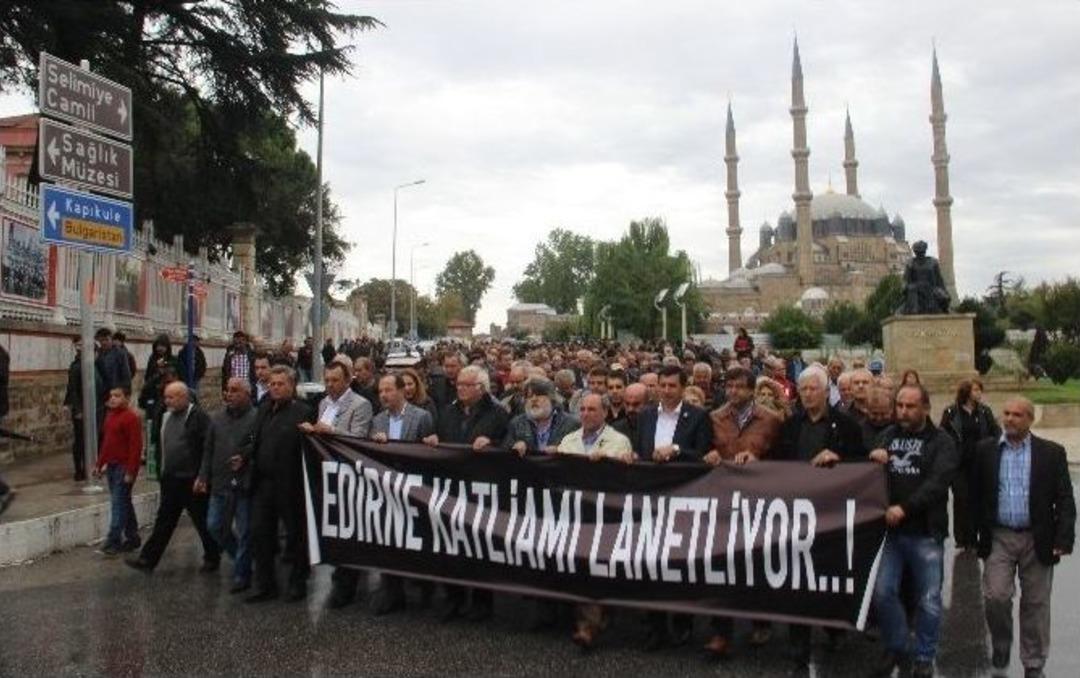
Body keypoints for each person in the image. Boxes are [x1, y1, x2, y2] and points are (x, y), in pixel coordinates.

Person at [973, 397, 1075, 678]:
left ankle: (1033, 663)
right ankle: (1002, 641)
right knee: (995, 596)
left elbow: (1065, 498)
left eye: (1017, 414)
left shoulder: (1051, 453)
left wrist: (1063, 537)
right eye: (1006, 413)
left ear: (1030, 419)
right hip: (999, 537)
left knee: (1036, 604)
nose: (1009, 419)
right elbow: (974, 494)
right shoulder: (985, 451)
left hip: (1037, 537)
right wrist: (972, 533)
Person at [775, 365, 865, 671]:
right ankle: (797, 639)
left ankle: (833, 628)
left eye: (814, 389)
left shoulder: (848, 426)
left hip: (832, 514)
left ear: (827, 392)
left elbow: (862, 465)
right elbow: (775, 465)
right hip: (795, 513)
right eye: (803, 390)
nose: (808, 394)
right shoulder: (789, 426)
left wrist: (840, 460)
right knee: (796, 578)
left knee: (828, 574)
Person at [868, 384, 959, 678]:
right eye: (900, 406)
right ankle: (898, 645)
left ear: (926, 408)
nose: (903, 412)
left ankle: (924, 656)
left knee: (929, 600)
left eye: (910, 406)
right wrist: (874, 462)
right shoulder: (887, 436)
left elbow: (938, 483)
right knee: (883, 592)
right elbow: (868, 478)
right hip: (891, 535)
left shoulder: (942, 441)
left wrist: (904, 508)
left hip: (925, 534)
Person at [703, 366, 783, 657]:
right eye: (729, 386)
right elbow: (707, 449)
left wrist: (759, 458)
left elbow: (783, 461)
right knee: (721, 566)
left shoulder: (772, 420)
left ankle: (761, 621)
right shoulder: (714, 418)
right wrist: (710, 454)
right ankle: (720, 631)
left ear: (751, 390)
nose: (732, 391)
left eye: (739, 387)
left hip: (758, 502)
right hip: (723, 502)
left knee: (755, 564)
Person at [423, 364, 509, 622]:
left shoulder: (497, 414)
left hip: (481, 491)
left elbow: (507, 447)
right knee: (450, 545)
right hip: (451, 489)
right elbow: (439, 435)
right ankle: (454, 597)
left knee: (480, 547)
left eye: (466, 384)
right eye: (459, 384)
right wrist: (434, 440)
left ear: (480, 388)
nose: (460, 388)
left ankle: (483, 601)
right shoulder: (448, 411)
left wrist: (492, 445)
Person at [635, 364, 712, 651]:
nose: (666, 391)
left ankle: (683, 623)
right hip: (651, 500)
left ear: (682, 387)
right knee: (650, 563)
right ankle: (654, 627)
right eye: (662, 385)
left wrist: (678, 450)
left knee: (680, 564)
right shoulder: (644, 416)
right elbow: (641, 451)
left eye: (672, 386)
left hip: (684, 499)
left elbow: (705, 456)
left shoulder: (698, 416)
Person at [554, 392, 633, 650]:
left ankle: (588, 626)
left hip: (604, 518)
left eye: (592, 410)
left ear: (605, 413)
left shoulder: (619, 441)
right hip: (573, 516)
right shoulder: (568, 440)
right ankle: (584, 619)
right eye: (583, 410)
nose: (586, 414)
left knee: (594, 569)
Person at [126, 382, 219, 573]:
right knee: (164, 521)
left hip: (192, 479)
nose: (167, 401)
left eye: (172, 397)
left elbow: (208, 448)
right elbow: (159, 444)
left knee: (201, 520)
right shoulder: (165, 416)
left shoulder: (198, 417)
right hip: (171, 479)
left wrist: (203, 476)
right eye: (166, 397)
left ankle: (213, 555)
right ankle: (147, 560)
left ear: (184, 397)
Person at [367, 372, 437, 615]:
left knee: (418, 540)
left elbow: (428, 456)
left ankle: (425, 589)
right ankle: (392, 592)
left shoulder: (422, 417)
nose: (384, 395)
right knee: (389, 541)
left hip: (415, 491)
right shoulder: (377, 421)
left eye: (388, 390)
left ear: (401, 391)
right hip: (388, 490)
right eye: (380, 392)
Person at [243, 366, 314, 603]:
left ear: (291, 386)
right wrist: (244, 457)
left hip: (291, 484)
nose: (275, 387)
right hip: (263, 483)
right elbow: (254, 440)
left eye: (280, 384)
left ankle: (297, 581)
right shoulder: (263, 410)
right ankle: (265, 584)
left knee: (295, 535)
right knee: (260, 533)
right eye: (272, 384)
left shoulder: (303, 412)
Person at [307, 360, 373, 610]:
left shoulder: (361, 404)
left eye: (335, 380)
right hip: (329, 473)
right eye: (327, 381)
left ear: (347, 381)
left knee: (350, 530)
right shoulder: (323, 403)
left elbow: (358, 439)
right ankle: (339, 575)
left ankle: (346, 584)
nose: (330, 385)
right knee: (334, 527)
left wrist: (330, 430)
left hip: (350, 476)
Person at [195, 377, 258, 593]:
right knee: (214, 525)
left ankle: (242, 573)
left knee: (245, 529)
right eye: (227, 390)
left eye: (235, 390)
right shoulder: (217, 419)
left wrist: (246, 459)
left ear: (247, 394)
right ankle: (241, 558)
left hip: (244, 483)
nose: (229, 394)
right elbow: (207, 449)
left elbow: (259, 449)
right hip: (219, 482)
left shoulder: (257, 418)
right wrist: (203, 476)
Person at [940, 378, 1001, 550]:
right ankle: (962, 538)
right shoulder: (952, 412)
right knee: (961, 499)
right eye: (975, 390)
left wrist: (992, 445)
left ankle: (975, 536)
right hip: (959, 464)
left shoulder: (984, 412)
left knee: (978, 500)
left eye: (980, 390)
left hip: (980, 463)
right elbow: (942, 434)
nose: (978, 393)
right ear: (966, 392)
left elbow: (996, 432)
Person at [93, 386, 143, 556]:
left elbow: (135, 447)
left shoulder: (131, 418)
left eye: (117, 395)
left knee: (118, 503)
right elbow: (107, 444)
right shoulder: (110, 417)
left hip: (124, 467)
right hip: (112, 466)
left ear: (126, 398)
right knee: (124, 501)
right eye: (111, 395)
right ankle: (132, 536)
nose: (113, 398)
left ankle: (113, 540)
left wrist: (131, 471)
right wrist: (99, 464)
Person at [63, 337, 106, 481]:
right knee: (81, 440)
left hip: (97, 409)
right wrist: (78, 410)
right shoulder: (76, 367)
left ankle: (95, 466)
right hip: (82, 410)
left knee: (97, 438)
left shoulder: (95, 366)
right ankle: (79, 469)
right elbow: (73, 390)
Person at [504, 378, 580, 457]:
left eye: (539, 395)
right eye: (529, 396)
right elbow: (504, 450)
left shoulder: (571, 424)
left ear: (551, 398)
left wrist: (561, 449)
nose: (534, 399)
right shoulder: (517, 424)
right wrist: (514, 446)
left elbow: (580, 451)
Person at [95, 327, 132, 393]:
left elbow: (126, 374)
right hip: (102, 392)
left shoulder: (120, 353)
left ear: (111, 339)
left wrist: (126, 392)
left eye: (106, 340)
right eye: (101, 340)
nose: (104, 342)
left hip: (116, 391)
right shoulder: (98, 354)